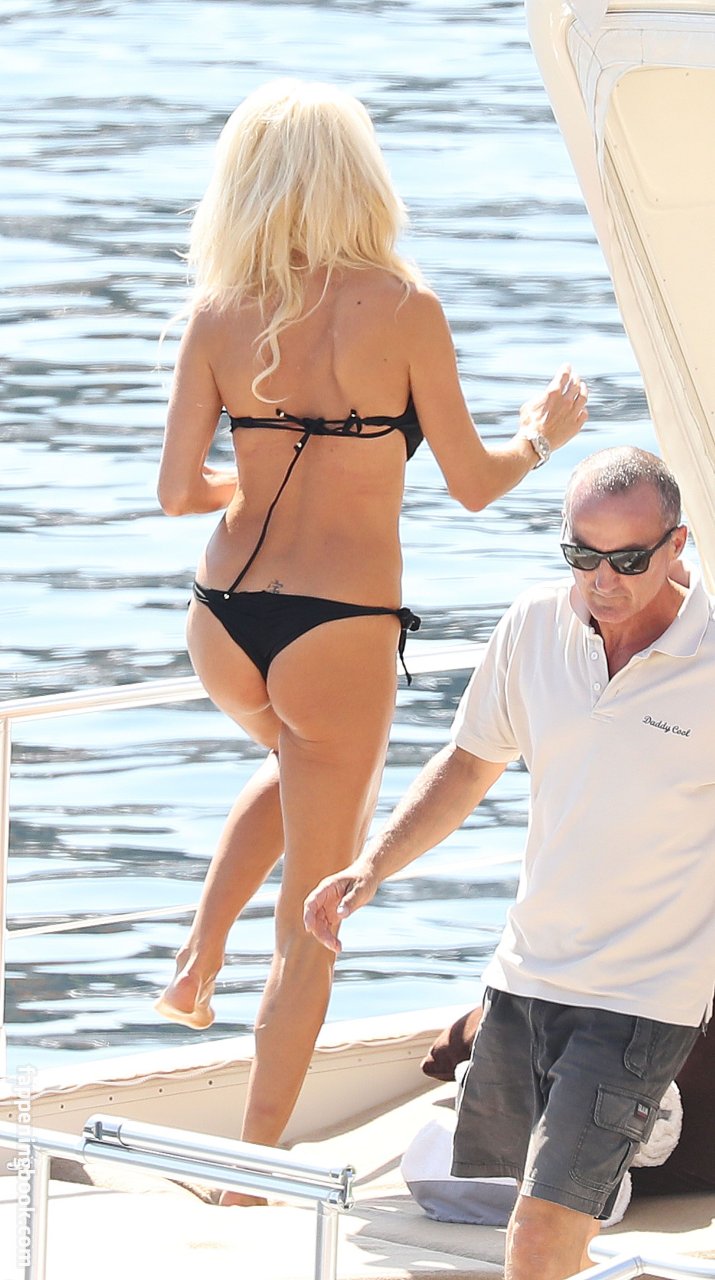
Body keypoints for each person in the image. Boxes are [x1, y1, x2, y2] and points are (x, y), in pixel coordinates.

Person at [155, 77, 587, 1200]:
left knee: (295, 759)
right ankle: (252, 1164)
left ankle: (196, 956)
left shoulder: (219, 313)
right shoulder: (405, 309)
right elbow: (474, 484)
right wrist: (540, 436)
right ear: (358, 180)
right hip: (337, 628)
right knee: (316, 912)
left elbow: (177, 492)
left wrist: (258, 474)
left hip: (221, 616)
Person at [305, 445, 715, 1279]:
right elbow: (468, 764)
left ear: (676, 544)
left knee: (537, 1233)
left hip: (640, 1000)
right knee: (538, 1217)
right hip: (524, 978)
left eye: (627, 559)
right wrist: (370, 866)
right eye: (581, 555)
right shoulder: (533, 624)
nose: (601, 580)